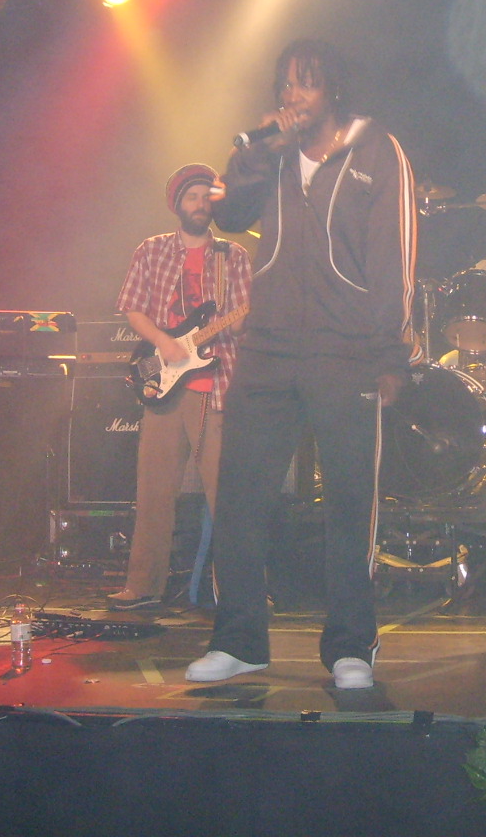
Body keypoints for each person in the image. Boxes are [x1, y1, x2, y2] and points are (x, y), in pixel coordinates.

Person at [185, 39, 417, 691]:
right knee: (239, 496)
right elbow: (231, 214)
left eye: (306, 83)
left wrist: (391, 352)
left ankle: (350, 647)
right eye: (285, 84)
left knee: (348, 500)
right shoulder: (272, 155)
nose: (293, 96)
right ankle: (239, 641)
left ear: (332, 89)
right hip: (269, 346)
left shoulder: (377, 151)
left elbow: (394, 256)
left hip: (347, 351)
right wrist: (262, 150)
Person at [108, 163, 251, 611]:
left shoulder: (233, 256)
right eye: (193, 197)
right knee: (153, 491)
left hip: (217, 389)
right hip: (165, 388)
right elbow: (132, 307)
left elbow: (240, 321)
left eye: (207, 197)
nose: (201, 204)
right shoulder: (151, 251)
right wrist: (164, 342)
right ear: (178, 204)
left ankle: (240, 591)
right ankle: (142, 586)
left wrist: (247, 316)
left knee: (228, 497)